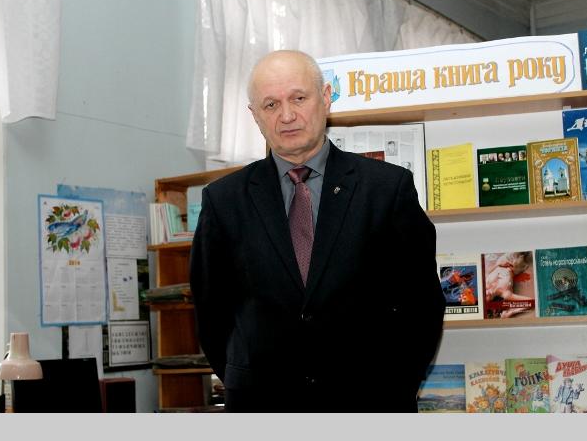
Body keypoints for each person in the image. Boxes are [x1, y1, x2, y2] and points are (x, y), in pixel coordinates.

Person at [189, 50, 445, 413]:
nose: (286, 115)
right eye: (271, 104)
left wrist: (396, 386)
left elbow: (422, 304)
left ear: (325, 98)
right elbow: (211, 313)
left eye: (298, 98)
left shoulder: (387, 188)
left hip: (370, 403)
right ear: (255, 115)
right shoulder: (224, 200)